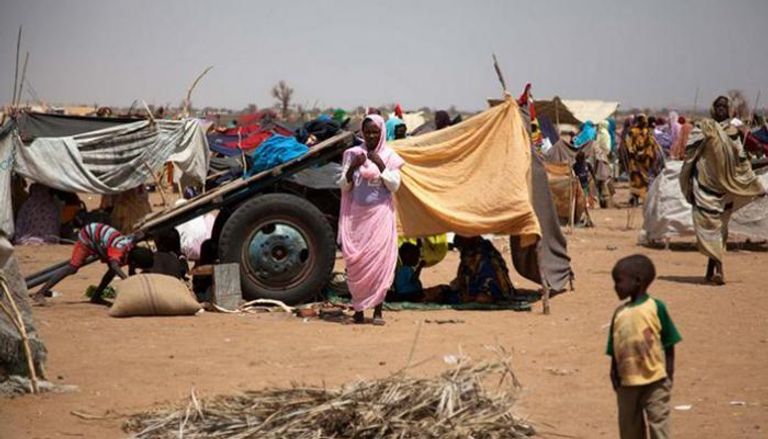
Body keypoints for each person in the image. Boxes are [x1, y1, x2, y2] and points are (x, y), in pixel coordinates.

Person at [679, 96, 766, 285]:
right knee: (707, 226)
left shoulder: (733, 131)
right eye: (718, 106)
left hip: (725, 187)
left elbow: (740, 158)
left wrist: (752, 183)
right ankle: (716, 269)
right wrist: (688, 180)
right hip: (703, 185)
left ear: (729, 109)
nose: (720, 109)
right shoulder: (702, 128)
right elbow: (690, 155)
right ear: (713, 108)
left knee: (720, 228)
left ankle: (714, 269)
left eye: (724, 106)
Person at [338, 114, 405, 325]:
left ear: (382, 132)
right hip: (357, 218)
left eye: (375, 132)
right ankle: (358, 310)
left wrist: (381, 165)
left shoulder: (390, 156)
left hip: (380, 216)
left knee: (379, 263)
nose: (371, 136)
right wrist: (352, 167)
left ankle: (377, 311)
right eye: (367, 132)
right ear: (363, 133)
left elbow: (394, 186)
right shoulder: (353, 154)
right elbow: (343, 186)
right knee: (356, 263)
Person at [607, 254, 681, 439]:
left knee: (659, 424)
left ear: (638, 281)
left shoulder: (655, 307)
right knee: (629, 428)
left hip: (655, 381)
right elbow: (615, 347)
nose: (615, 286)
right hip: (627, 384)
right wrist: (614, 372)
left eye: (619, 281)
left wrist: (669, 373)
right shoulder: (619, 313)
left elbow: (669, 342)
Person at [32, 223, 154, 305]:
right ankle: (40, 293)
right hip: (88, 237)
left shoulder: (132, 249)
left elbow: (131, 269)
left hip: (100, 239)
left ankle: (96, 296)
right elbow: (114, 265)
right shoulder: (119, 249)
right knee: (73, 267)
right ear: (134, 261)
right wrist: (126, 280)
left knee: (112, 272)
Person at [450, 236, 515, 303]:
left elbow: (486, 291)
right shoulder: (470, 258)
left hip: (492, 291)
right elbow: (465, 278)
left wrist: (470, 298)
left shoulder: (485, 259)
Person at [625, 114, 662, 205]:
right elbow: (629, 144)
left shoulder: (647, 132)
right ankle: (635, 197)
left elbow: (652, 145)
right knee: (636, 179)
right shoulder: (633, 132)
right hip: (635, 160)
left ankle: (643, 198)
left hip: (645, 161)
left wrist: (648, 153)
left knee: (644, 180)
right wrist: (634, 152)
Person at [594, 121, 614, 207]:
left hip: (599, 157)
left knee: (600, 178)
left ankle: (602, 200)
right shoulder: (606, 134)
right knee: (605, 178)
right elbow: (608, 148)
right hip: (604, 157)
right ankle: (605, 201)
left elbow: (596, 144)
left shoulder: (599, 133)